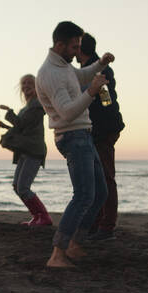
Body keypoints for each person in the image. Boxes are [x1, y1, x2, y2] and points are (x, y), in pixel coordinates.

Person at [35, 21, 114, 268]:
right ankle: (57, 253)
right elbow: (67, 112)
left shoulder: (64, 66)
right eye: (74, 46)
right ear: (60, 44)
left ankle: (73, 243)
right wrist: (91, 92)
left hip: (83, 134)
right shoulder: (50, 73)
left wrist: (100, 64)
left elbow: (79, 76)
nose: (77, 51)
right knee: (83, 195)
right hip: (71, 136)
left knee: (100, 193)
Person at [77, 33, 125, 241]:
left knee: (104, 177)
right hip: (98, 129)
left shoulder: (100, 70)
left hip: (103, 129)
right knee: (96, 178)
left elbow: (106, 102)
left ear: (79, 48)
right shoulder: (88, 69)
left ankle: (106, 226)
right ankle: (97, 223)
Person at [0, 74, 52, 226]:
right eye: (24, 83)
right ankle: (36, 216)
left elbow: (22, 125)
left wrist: (9, 113)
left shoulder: (37, 106)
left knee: (23, 187)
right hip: (25, 151)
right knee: (17, 186)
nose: (26, 86)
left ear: (36, 87)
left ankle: (44, 217)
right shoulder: (27, 107)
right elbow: (21, 128)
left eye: (30, 83)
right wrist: (6, 126)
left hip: (34, 150)